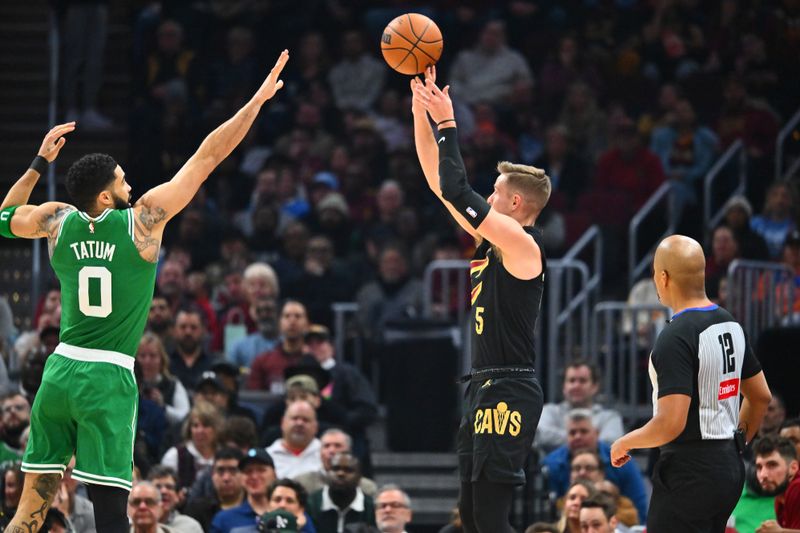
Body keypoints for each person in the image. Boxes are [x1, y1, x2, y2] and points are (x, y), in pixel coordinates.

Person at [0, 50, 287, 532]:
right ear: (107, 195)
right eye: (122, 179)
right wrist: (255, 103)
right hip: (107, 377)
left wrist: (38, 161)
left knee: (31, 509)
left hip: (59, 371)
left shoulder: (56, 220)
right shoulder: (143, 220)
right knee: (113, 514)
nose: (130, 183)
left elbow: (5, 218)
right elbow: (208, 156)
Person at [412, 68, 549, 533]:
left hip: (509, 387)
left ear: (514, 205)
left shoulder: (523, 246)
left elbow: (456, 189)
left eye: (495, 194)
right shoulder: (495, 240)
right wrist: (419, 110)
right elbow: (438, 182)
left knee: (490, 521)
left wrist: (448, 124)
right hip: (483, 386)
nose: (487, 199)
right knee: (472, 518)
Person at [610, 235, 773, 533]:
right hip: (728, 468)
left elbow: (671, 423)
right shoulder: (730, 324)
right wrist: (736, 444)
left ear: (663, 277)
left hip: (689, 474)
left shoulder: (675, 337)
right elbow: (761, 397)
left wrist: (626, 441)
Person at [542, 410, 647, 521]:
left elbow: (638, 510)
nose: (578, 437)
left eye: (584, 431)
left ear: (596, 433)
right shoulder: (551, 464)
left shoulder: (623, 462)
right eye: (572, 433)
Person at [535, 359, 624, 453]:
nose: (576, 386)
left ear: (595, 386)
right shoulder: (550, 411)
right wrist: (589, 439)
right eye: (572, 381)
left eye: (582, 381)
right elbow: (541, 435)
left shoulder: (609, 417)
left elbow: (613, 444)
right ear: (564, 387)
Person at [248, 300, 311, 392]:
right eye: (287, 316)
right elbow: (254, 400)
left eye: (298, 316)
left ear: (307, 325)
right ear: (279, 324)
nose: (292, 321)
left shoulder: (313, 362)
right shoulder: (262, 361)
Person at [294, 429, 377, 498]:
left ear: (349, 451)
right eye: (326, 446)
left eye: (337, 446)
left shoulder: (366, 488)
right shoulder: (302, 483)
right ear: (320, 452)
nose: (332, 451)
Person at [210, 448, 277, 533]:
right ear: (241, 477)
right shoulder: (224, 519)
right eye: (248, 471)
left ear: (274, 474)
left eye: (261, 470)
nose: (254, 476)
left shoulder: (287, 514)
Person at [160, 400, 224, 490]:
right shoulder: (174, 456)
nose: (200, 431)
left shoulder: (224, 455)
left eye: (205, 425)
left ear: (216, 428)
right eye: (195, 426)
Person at [307, 453, 376, 533]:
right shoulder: (310, 503)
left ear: (359, 477)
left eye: (348, 470)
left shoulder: (371, 507)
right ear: (327, 473)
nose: (340, 474)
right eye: (335, 469)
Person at [183, 447, 245, 531]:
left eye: (233, 470)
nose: (226, 478)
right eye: (220, 471)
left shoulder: (255, 509)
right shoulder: (196, 510)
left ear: (244, 475)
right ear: (212, 475)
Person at [137, 332, 191, 426]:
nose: (147, 361)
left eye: (153, 356)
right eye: (142, 356)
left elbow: (184, 416)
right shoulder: (129, 385)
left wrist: (163, 407)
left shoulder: (172, 384)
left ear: (161, 359)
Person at [266, 400, 323, 479]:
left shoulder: (325, 455)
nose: (299, 423)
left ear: (316, 426)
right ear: (283, 422)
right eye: (294, 418)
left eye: (305, 420)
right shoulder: (268, 457)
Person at [754, 436, 800, 532]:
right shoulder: (779, 498)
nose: (763, 475)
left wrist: (781, 532)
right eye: (759, 467)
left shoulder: (797, 488)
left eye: (772, 465)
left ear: (793, 468)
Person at [146, 466, 203, 533]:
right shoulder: (136, 524)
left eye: (169, 487)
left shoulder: (191, 527)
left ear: (177, 496)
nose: (163, 491)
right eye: (157, 487)